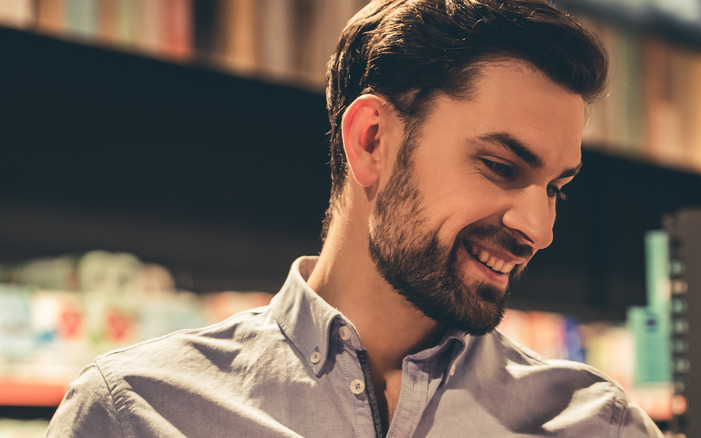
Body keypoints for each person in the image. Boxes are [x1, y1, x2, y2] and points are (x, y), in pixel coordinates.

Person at [47, 0, 663, 436]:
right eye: (502, 166)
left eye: (556, 187)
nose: (540, 228)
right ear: (372, 140)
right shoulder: (134, 413)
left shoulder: (595, 422)